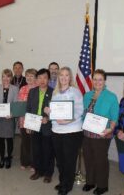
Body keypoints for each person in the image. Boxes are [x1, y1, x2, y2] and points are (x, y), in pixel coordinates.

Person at [44, 67, 84, 195]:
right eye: (62, 75)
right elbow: (54, 113)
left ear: (70, 77)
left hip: (72, 131)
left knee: (69, 160)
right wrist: (48, 111)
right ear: (59, 77)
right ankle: (62, 181)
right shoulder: (55, 93)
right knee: (60, 160)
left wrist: (67, 121)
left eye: (67, 75)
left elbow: (79, 111)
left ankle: (67, 185)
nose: (64, 77)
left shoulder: (75, 92)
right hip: (57, 131)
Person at [82, 69, 119, 195]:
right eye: (95, 79)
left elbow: (115, 116)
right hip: (87, 133)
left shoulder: (111, 96)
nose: (97, 82)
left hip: (103, 133)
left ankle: (103, 185)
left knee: (100, 160)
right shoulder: (87, 95)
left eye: (100, 79)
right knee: (88, 158)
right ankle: (90, 182)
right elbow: (84, 113)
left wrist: (111, 128)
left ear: (104, 81)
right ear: (92, 81)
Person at [26, 68, 54, 183]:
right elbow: (28, 108)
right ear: (37, 79)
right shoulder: (32, 91)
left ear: (48, 79)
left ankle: (48, 173)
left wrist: (48, 118)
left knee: (48, 150)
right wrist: (27, 124)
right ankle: (38, 171)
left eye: (45, 77)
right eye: (40, 77)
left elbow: (57, 111)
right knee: (36, 150)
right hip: (34, 125)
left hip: (47, 126)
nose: (42, 80)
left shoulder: (53, 92)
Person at [0, 69, 19, 169]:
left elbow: (16, 103)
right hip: (0, 117)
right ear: (1, 77)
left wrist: (12, 114)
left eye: (8, 76)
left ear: (11, 78)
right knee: (0, 139)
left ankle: (8, 158)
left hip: (9, 117)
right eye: (4, 76)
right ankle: (2, 158)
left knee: (9, 139)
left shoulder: (15, 88)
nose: (6, 79)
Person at [17, 68, 37, 171]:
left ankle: (34, 164)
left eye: (32, 76)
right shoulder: (22, 89)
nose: (29, 78)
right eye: (27, 75)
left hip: (34, 119)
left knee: (34, 142)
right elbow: (19, 104)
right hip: (23, 119)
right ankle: (24, 162)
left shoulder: (38, 88)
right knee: (25, 142)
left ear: (35, 77)